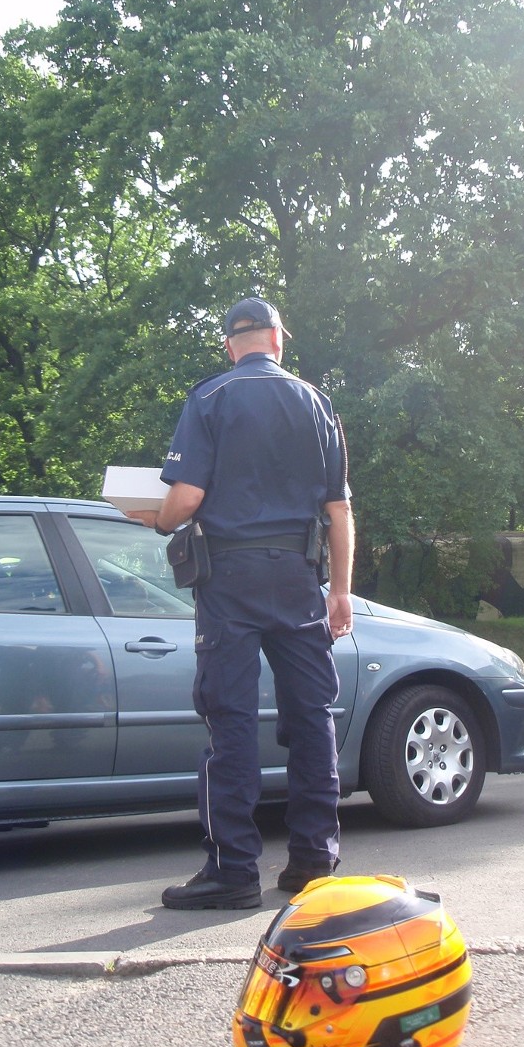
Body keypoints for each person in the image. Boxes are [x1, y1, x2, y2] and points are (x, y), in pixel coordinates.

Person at [128, 296, 354, 910]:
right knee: (311, 716)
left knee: (228, 719)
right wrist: (339, 591)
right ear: (279, 340)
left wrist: (155, 517)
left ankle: (233, 872)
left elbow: (186, 498)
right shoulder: (317, 402)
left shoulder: (209, 399)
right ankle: (313, 861)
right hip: (300, 577)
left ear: (231, 345)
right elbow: (339, 510)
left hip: (230, 578)